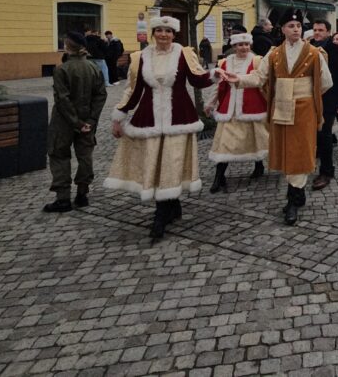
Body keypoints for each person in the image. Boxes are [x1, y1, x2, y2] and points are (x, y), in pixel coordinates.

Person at [105, 16, 216, 240]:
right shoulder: (140, 58)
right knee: (156, 164)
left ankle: (161, 215)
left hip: (178, 118)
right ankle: (171, 205)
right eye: (159, 30)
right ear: (153, 33)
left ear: (174, 34)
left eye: (168, 31)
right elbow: (134, 91)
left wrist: (217, 75)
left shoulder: (184, 53)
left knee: (172, 163)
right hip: (150, 119)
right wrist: (119, 116)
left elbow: (197, 79)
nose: (164, 35)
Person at [224, 8, 333, 226]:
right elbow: (259, 77)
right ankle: (298, 191)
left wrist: (304, 98)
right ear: (282, 29)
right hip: (281, 108)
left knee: (300, 151)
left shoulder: (314, 54)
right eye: (291, 26)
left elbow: (326, 83)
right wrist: (238, 79)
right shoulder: (273, 55)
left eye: (299, 26)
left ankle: (292, 198)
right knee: (286, 152)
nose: (296, 29)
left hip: (304, 109)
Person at [43, 32, 108, 213]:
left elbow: (62, 100)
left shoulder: (61, 69)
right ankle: (82, 193)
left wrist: (76, 122)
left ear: (67, 46)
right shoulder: (93, 68)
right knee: (85, 156)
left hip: (64, 122)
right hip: (87, 120)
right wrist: (91, 120)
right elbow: (101, 95)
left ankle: (63, 198)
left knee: (59, 155)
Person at [204, 32, 269, 193]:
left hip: (251, 107)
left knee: (254, 139)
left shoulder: (256, 61)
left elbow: (262, 82)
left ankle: (259, 165)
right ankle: (219, 177)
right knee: (223, 144)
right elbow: (220, 86)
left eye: (247, 44)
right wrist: (210, 103)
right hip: (229, 109)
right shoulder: (225, 62)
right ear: (234, 47)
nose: (244, 48)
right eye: (240, 45)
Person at [311, 20, 338, 190]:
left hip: (329, 99)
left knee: (325, 135)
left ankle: (327, 171)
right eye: (315, 30)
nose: (317, 32)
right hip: (311, 98)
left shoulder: (335, 50)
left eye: (321, 30)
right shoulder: (309, 47)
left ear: (328, 32)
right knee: (313, 135)